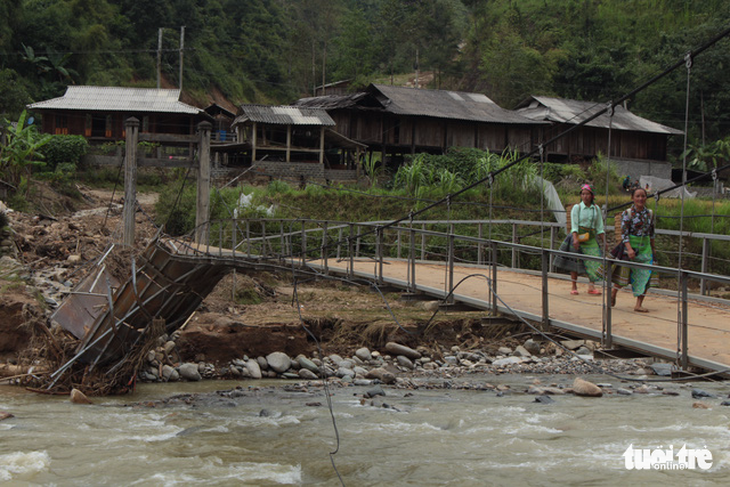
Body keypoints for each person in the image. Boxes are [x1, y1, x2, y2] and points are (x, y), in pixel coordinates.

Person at [554, 184, 606, 295]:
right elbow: (574, 225)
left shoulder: (596, 209)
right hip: (577, 236)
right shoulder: (577, 208)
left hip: (590, 237)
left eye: (587, 194)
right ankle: (574, 285)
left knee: (594, 260)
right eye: (583, 194)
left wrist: (604, 240)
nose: (585, 196)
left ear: (592, 196)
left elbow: (599, 227)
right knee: (575, 261)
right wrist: (575, 239)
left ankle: (591, 286)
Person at [610, 187, 656, 312]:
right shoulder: (627, 213)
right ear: (632, 198)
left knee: (646, 275)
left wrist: (653, 248)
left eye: (643, 196)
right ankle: (613, 292)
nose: (640, 199)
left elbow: (652, 232)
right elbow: (624, 234)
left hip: (645, 248)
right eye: (638, 196)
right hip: (631, 246)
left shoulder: (649, 214)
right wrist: (629, 249)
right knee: (624, 274)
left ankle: (638, 304)